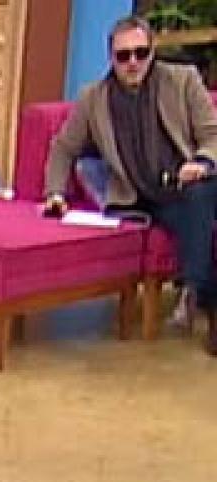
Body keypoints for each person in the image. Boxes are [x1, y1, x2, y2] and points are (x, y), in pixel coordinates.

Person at [43, 15, 217, 353]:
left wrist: (202, 162)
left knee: (199, 196)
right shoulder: (93, 99)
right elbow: (64, 148)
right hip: (151, 196)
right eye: (124, 56)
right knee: (192, 217)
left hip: (198, 179)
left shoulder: (182, 80)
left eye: (141, 53)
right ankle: (205, 299)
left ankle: (192, 290)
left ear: (152, 52)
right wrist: (55, 193)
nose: (133, 63)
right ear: (111, 58)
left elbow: (212, 134)